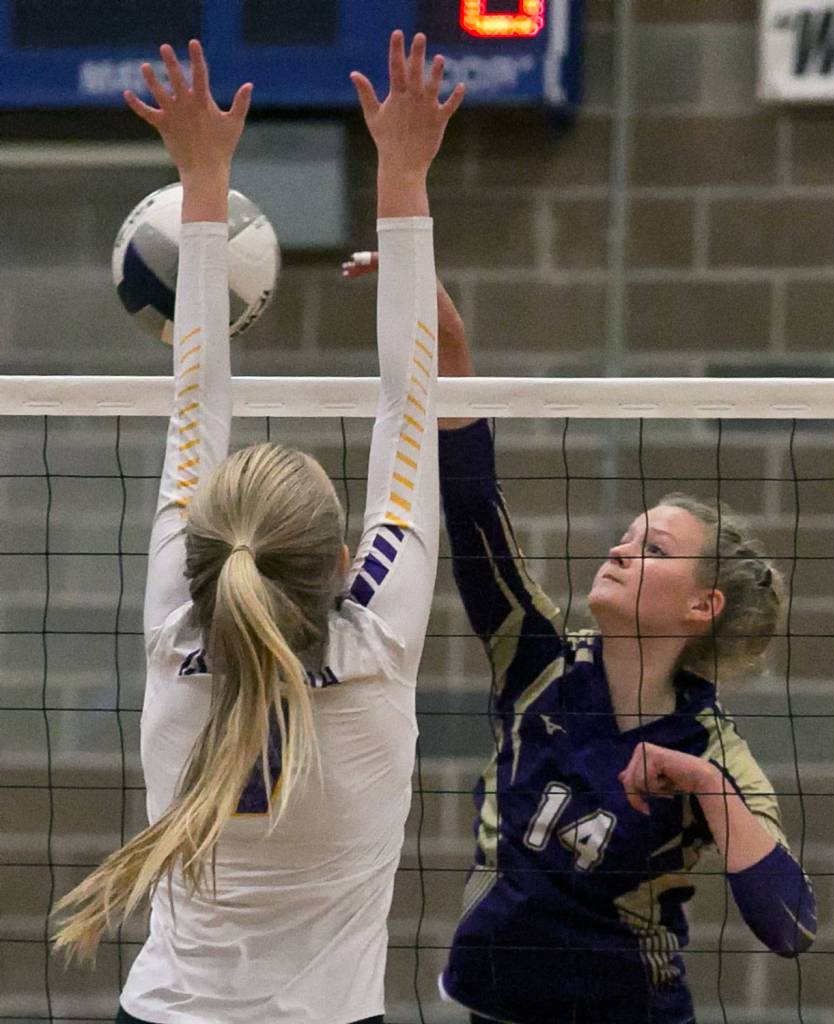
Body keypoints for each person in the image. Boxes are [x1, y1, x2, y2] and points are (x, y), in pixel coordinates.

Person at [52, 33, 463, 1024]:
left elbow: (195, 402)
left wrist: (202, 183)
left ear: (204, 548)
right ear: (337, 560)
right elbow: (413, 407)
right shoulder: (375, 643)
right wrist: (404, 176)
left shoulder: (175, 635)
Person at [343, 254, 817, 1024]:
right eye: (627, 536)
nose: (621, 550)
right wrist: (448, 340)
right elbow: (471, 505)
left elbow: (791, 926)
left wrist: (704, 789)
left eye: (653, 550)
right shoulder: (536, 662)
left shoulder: (712, 752)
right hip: (491, 1010)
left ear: (703, 606)